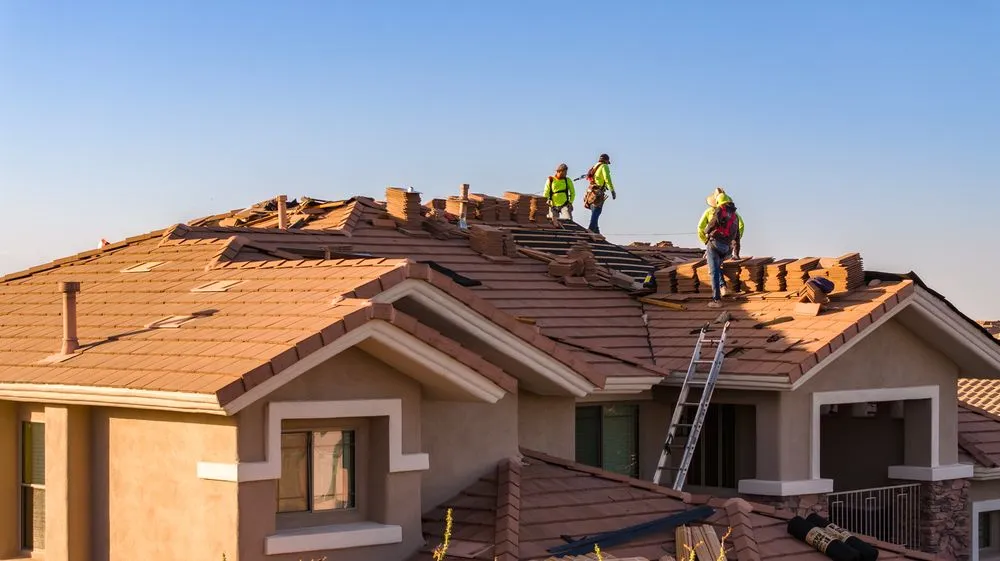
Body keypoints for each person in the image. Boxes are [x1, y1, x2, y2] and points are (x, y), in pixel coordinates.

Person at [697, 188, 744, 308]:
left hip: (714, 245)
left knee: (713, 271)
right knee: (717, 266)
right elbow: (738, 234)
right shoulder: (735, 216)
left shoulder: (717, 211)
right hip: (726, 248)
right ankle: (723, 287)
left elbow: (705, 227)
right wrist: (736, 252)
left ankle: (716, 300)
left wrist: (706, 236)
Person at [583, 153, 616, 233]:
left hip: (591, 191)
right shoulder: (604, 166)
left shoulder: (595, 166)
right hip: (598, 191)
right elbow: (607, 178)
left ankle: (596, 230)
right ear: (606, 161)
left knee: (594, 210)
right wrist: (612, 190)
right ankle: (591, 228)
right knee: (597, 210)